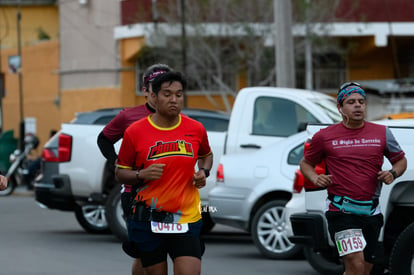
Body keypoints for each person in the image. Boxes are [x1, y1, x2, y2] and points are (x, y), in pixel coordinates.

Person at [299, 82, 407, 275]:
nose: (358, 105)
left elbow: (400, 161)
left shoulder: (382, 133)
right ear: (340, 108)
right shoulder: (324, 136)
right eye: (351, 102)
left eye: (361, 102)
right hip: (341, 212)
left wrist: (392, 173)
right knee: (355, 264)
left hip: (371, 212)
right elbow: (305, 164)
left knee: (364, 269)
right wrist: (315, 178)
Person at [115, 71, 213, 275]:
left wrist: (203, 171)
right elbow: (120, 173)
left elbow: (206, 155)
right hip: (148, 218)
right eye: (167, 94)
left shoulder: (195, 129)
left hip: (186, 216)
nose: (174, 100)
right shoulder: (135, 132)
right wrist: (142, 174)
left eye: (178, 94)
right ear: (154, 97)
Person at [97, 64, 172, 275]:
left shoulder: (178, 118)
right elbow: (104, 139)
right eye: (155, 87)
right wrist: (117, 163)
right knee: (146, 251)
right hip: (136, 193)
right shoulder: (129, 116)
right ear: (145, 89)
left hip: (172, 193)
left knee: (164, 249)